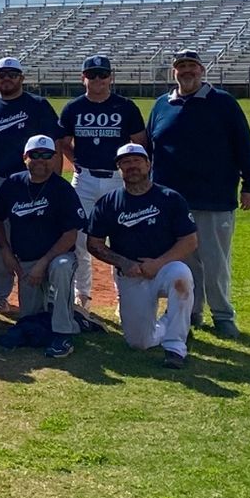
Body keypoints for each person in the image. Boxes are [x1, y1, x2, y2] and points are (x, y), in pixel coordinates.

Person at [146, 49, 250, 339]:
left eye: (192, 66)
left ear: (201, 70)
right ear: (174, 72)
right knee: (183, 261)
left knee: (215, 260)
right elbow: (150, 148)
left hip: (214, 196)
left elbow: (244, 145)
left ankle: (222, 315)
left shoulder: (223, 103)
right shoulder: (162, 105)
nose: (187, 71)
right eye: (181, 66)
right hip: (171, 201)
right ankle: (190, 311)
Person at [86, 143, 198, 369]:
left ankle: (176, 348)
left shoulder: (170, 198)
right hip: (131, 273)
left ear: (148, 164)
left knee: (181, 277)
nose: (132, 166)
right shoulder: (109, 203)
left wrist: (158, 264)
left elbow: (190, 241)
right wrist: (123, 262)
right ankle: (171, 323)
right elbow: (94, 244)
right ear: (119, 169)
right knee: (139, 342)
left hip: (164, 267)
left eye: (137, 160)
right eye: (125, 162)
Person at [0, 57, 63, 309]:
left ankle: (49, 292)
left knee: (42, 233)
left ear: (22, 78)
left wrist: (54, 181)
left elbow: (55, 146)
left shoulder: (38, 105)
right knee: (1, 239)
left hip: (34, 180)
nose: (6, 78)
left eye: (12, 73)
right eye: (1, 74)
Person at [58, 55, 146, 311]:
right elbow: (63, 142)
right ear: (83, 78)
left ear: (111, 77)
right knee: (80, 239)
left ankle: (123, 297)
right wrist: (78, 161)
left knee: (122, 238)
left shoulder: (126, 107)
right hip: (84, 179)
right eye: (92, 74)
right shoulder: (73, 107)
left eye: (102, 74)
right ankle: (82, 295)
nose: (97, 79)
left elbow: (139, 143)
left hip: (116, 179)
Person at [0, 135, 86, 359]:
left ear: (54, 158)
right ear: (25, 157)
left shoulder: (62, 189)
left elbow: (71, 234)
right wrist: (5, 249)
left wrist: (43, 264)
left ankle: (64, 333)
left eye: (47, 155)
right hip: (25, 260)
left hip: (57, 257)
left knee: (61, 269)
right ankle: (75, 320)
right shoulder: (13, 184)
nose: (41, 160)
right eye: (35, 155)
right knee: (29, 318)